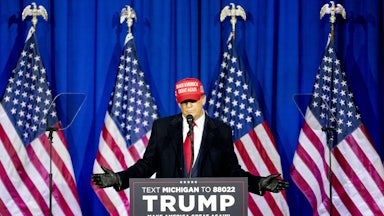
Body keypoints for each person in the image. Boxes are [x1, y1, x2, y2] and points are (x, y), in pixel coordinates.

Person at [92, 77, 288, 195]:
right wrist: (119, 178)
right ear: (178, 103)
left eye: (192, 101)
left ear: (203, 99)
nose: (188, 106)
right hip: (169, 207)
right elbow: (147, 165)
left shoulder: (221, 131)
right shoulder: (163, 128)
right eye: (184, 102)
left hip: (209, 207)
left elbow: (232, 171)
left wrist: (258, 183)